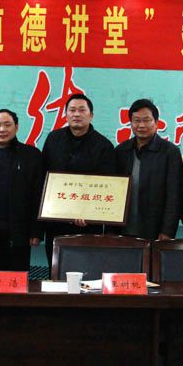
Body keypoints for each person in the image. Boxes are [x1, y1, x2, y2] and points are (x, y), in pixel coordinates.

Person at [40, 94, 117, 265]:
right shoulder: (53, 139)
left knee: (87, 270)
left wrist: (89, 213)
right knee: (56, 269)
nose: (76, 114)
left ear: (91, 115)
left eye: (82, 110)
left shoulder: (104, 146)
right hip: (55, 221)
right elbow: (43, 177)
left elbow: (108, 186)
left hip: (88, 225)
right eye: (72, 110)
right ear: (66, 114)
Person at [0, 109, 45, 271]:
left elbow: (38, 194)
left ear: (16, 127)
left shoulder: (31, 155)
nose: (2, 129)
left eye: (7, 125)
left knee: (16, 278)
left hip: (20, 231)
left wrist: (36, 231)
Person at [114, 99, 182, 240]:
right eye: (136, 120)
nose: (141, 125)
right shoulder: (121, 151)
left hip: (155, 231)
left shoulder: (170, 152)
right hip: (122, 230)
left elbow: (174, 195)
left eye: (146, 120)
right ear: (130, 123)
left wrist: (167, 231)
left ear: (156, 123)